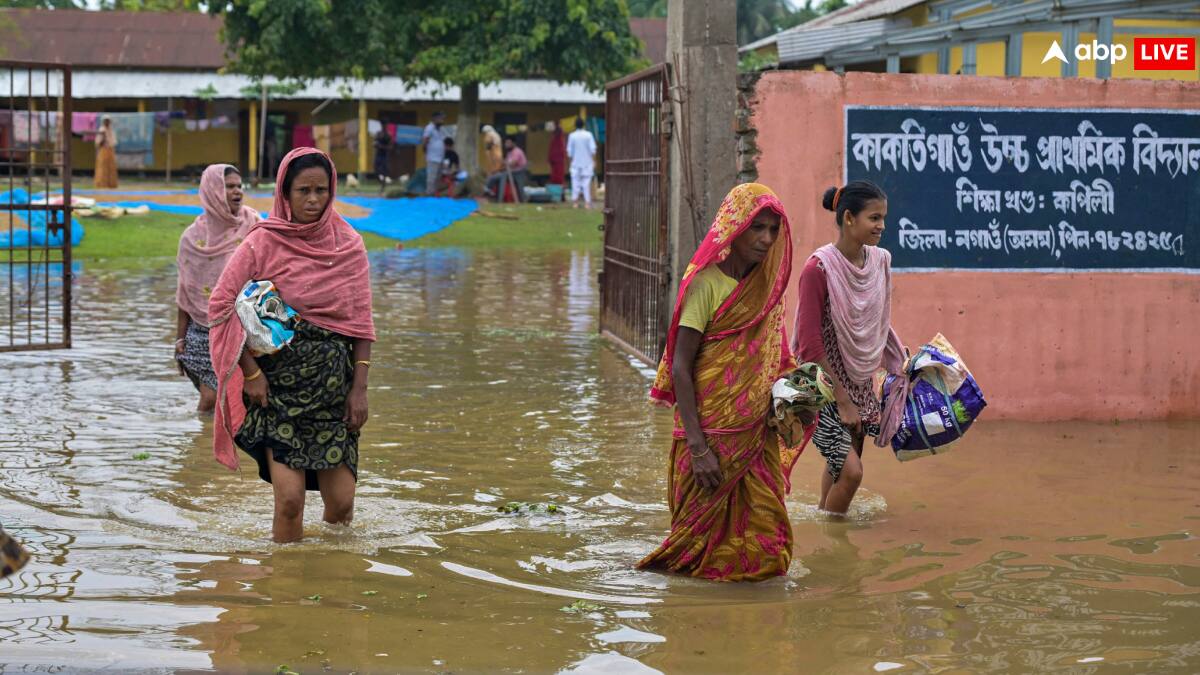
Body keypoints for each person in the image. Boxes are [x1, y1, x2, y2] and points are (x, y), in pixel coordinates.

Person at [637, 183, 806, 582]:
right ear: (735, 229)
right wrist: (698, 449)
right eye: (756, 228)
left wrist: (800, 394)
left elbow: (777, 362)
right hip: (708, 441)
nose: (765, 239)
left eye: (772, 230)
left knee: (771, 548)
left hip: (755, 438)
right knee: (692, 557)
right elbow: (681, 366)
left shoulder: (767, 292)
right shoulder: (705, 285)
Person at [208, 147, 376, 543]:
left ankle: (329, 583)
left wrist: (360, 390)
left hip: (334, 395)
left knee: (342, 504)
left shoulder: (349, 245)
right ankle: (284, 591)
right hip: (277, 393)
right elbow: (220, 305)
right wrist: (251, 373)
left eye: (321, 190)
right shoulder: (262, 242)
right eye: (303, 190)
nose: (313, 200)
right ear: (285, 193)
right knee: (289, 502)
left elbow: (362, 325)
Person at [792, 180, 906, 516]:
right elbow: (809, 345)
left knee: (840, 467)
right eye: (874, 218)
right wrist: (843, 401)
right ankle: (837, 548)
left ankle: (825, 522)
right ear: (849, 219)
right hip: (823, 384)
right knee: (853, 473)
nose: (882, 226)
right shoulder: (819, 269)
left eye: (883, 217)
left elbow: (876, 321)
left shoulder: (879, 262)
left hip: (859, 380)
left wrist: (900, 361)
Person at [175, 164, 260, 413]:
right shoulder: (192, 238)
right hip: (202, 331)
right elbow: (185, 294)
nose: (237, 192)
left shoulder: (254, 226)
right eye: (228, 187)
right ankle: (200, 446)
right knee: (211, 399)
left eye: (239, 186)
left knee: (238, 400)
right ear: (212, 191)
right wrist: (180, 338)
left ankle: (214, 446)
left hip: (246, 328)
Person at [567, 117, 597, 209]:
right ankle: (587, 203)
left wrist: (570, 162)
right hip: (587, 163)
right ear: (583, 125)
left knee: (575, 183)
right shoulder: (588, 135)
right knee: (586, 183)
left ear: (575, 125)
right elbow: (593, 150)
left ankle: (575, 203)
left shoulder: (572, 136)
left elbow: (569, 151)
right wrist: (594, 160)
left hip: (575, 163)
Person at [422, 112, 448, 196]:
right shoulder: (429, 128)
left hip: (440, 157)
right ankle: (429, 194)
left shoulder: (441, 129)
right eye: (440, 118)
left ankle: (435, 194)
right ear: (434, 118)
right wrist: (425, 152)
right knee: (431, 177)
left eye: (443, 119)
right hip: (432, 157)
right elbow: (425, 140)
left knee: (438, 177)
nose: (442, 121)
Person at [94, 116, 118, 189]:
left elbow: (113, 141)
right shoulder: (102, 130)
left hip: (110, 149)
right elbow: (98, 142)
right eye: (105, 121)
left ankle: (111, 184)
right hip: (103, 150)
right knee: (103, 166)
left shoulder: (111, 130)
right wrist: (103, 139)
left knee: (111, 166)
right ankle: (102, 183)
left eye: (108, 121)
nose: (107, 122)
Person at [548, 120, 567, 192]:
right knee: (557, 176)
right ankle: (558, 192)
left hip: (557, 158)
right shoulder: (557, 137)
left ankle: (559, 192)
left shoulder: (558, 137)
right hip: (557, 158)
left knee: (557, 176)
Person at [373, 128, 393, 194]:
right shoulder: (378, 134)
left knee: (384, 171)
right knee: (375, 169)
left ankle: (383, 187)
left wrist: (382, 147)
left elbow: (390, 147)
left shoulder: (388, 135)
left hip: (384, 155)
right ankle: (382, 183)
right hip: (378, 155)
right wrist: (376, 145)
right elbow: (374, 144)